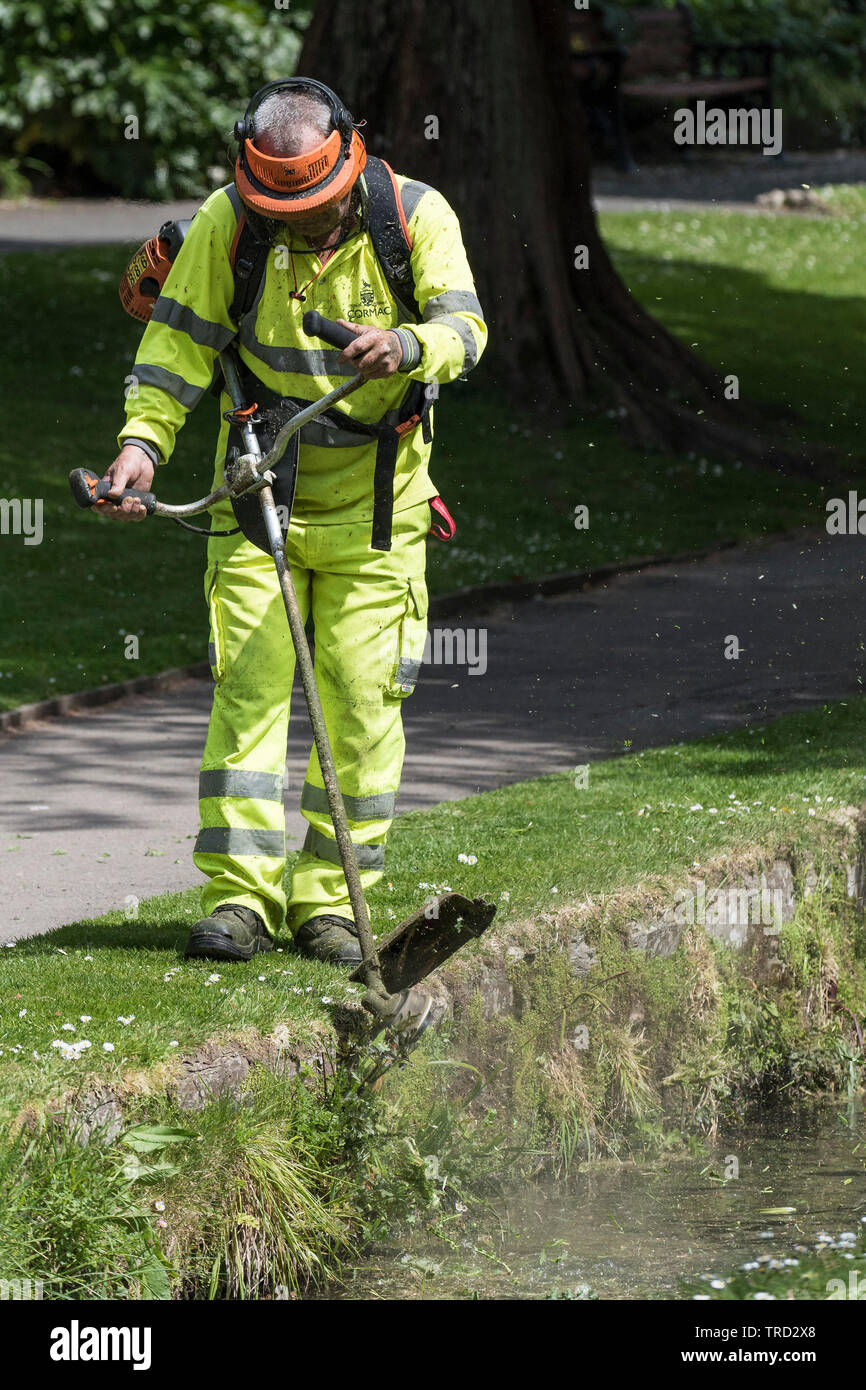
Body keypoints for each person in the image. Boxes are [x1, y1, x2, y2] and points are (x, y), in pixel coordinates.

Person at [100, 78, 487, 967]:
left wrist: (409, 345)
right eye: (282, 208)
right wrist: (141, 448)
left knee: (358, 705)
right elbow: (175, 346)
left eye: (312, 207)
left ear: (351, 158)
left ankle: (332, 906)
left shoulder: (416, 216)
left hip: (379, 512)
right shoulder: (228, 223)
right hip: (257, 492)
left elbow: (467, 327)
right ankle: (240, 900)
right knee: (250, 693)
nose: (299, 224)